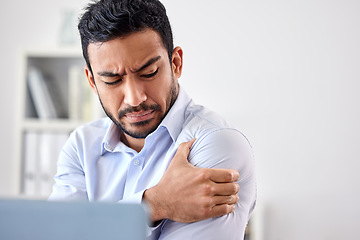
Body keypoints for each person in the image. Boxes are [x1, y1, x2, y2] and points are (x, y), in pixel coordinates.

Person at [49, 0, 256, 239]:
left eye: (148, 73)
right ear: (92, 82)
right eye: (112, 80)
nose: (135, 98)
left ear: (175, 63)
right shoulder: (81, 145)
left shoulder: (216, 144)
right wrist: (154, 205)